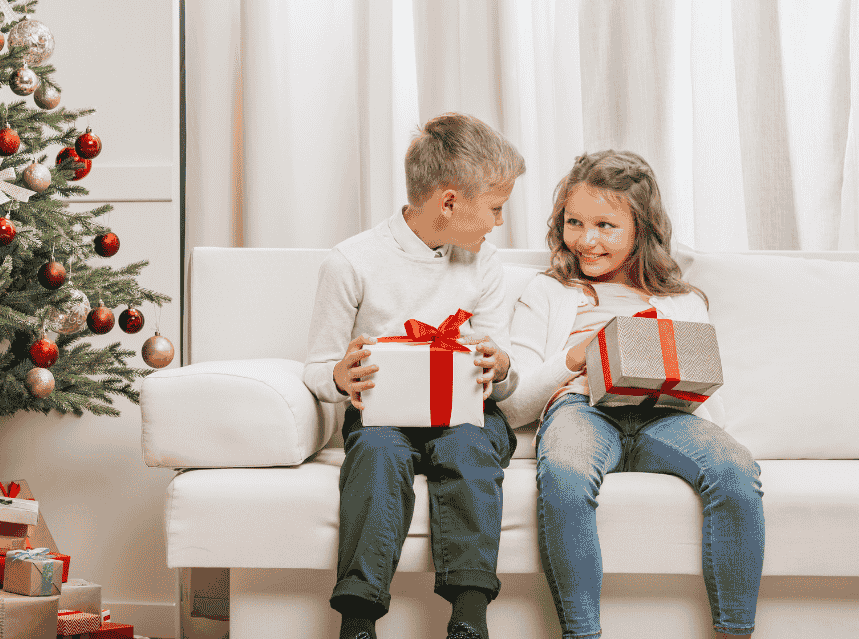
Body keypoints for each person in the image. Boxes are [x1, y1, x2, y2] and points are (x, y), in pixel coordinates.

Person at [507, 151, 764, 638]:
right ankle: (582, 633)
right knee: (564, 474)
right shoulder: (547, 291)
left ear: (641, 229)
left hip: (665, 414)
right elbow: (515, 405)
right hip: (580, 407)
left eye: (606, 225)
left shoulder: (682, 302)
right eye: (574, 222)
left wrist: (671, 376)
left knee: (736, 470)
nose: (587, 240)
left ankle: (735, 633)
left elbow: (713, 402)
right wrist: (575, 357)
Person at [304, 112, 525, 639]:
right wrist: (340, 377)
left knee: (468, 451)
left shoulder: (484, 264)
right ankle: (358, 619)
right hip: (385, 419)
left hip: (465, 415)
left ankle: (469, 618)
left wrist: (502, 366)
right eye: (494, 209)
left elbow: (503, 363)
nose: (498, 223)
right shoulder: (351, 262)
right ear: (448, 202)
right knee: (377, 457)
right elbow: (317, 368)